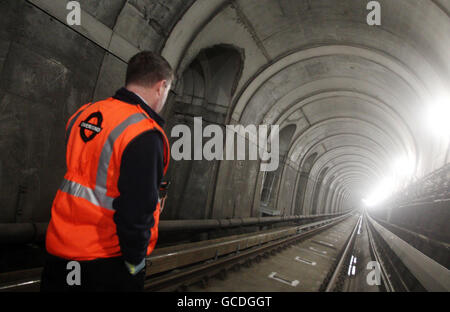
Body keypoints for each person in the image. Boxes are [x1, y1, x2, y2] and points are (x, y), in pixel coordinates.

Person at [40, 51, 173, 292]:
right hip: (104, 260)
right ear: (161, 86)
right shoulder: (144, 134)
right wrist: (135, 262)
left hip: (59, 248)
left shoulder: (86, 112)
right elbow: (136, 209)